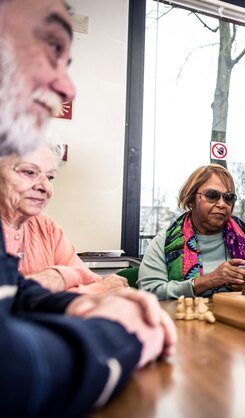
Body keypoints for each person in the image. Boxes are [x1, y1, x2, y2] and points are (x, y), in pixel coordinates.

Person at [0, 1, 176, 417]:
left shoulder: (45, 228)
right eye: (45, 50)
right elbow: (13, 374)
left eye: (51, 177)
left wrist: (75, 303)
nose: (68, 88)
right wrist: (122, 334)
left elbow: (15, 293)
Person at [0, 142, 128, 293]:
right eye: (29, 172)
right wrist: (69, 282)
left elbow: (99, 282)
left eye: (50, 177)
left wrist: (60, 276)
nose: (45, 187)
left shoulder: (46, 226)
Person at [138, 164, 245, 300]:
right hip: (184, 319)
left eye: (228, 198)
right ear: (191, 200)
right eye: (212, 195)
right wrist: (206, 282)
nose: (222, 204)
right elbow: (148, 291)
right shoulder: (163, 242)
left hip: (242, 316)